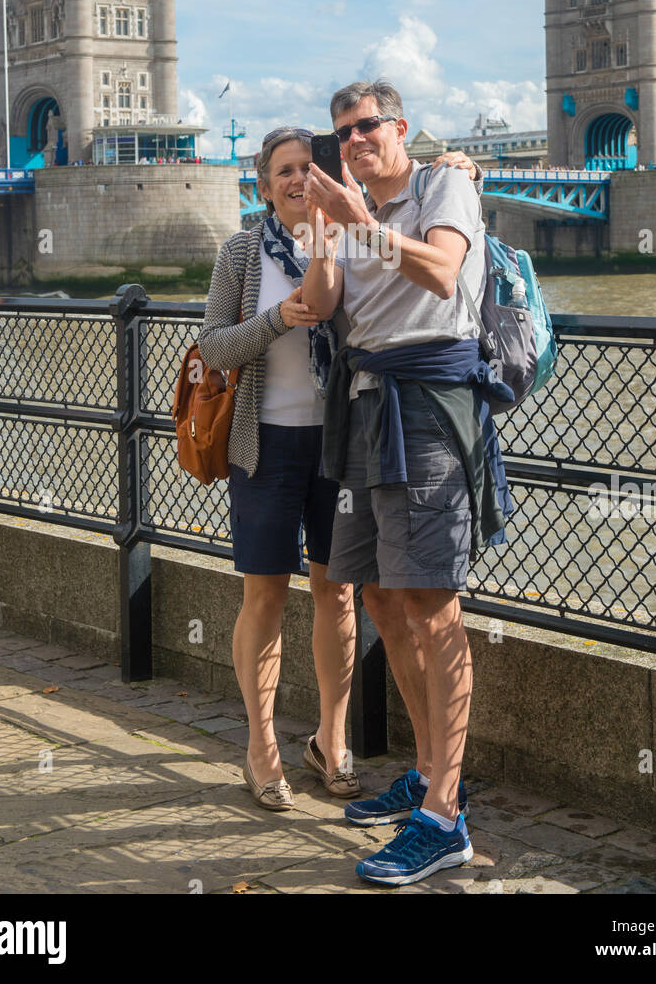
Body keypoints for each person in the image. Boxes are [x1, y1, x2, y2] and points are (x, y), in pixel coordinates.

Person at [303, 79, 513, 887]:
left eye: (366, 127)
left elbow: (441, 272)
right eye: (342, 132)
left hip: (427, 406)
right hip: (362, 404)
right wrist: (330, 233)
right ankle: (429, 773)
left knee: (433, 605)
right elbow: (325, 307)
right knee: (383, 599)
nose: (353, 140)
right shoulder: (350, 206)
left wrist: (363, 227)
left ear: (400, 127)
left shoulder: (443, 184)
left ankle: (444, 818)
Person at [198, 127, 359, 811]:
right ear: (263, 186)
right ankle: (261, 747)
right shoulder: (239, 253)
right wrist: (276, 320)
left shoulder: (353, 240)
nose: (299, 180)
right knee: (263, 597)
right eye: (284, 172)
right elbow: (213, 348)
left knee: (339, 595)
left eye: (308, 168)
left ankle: (332, 738)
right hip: (262, 447)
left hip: (340, 445)